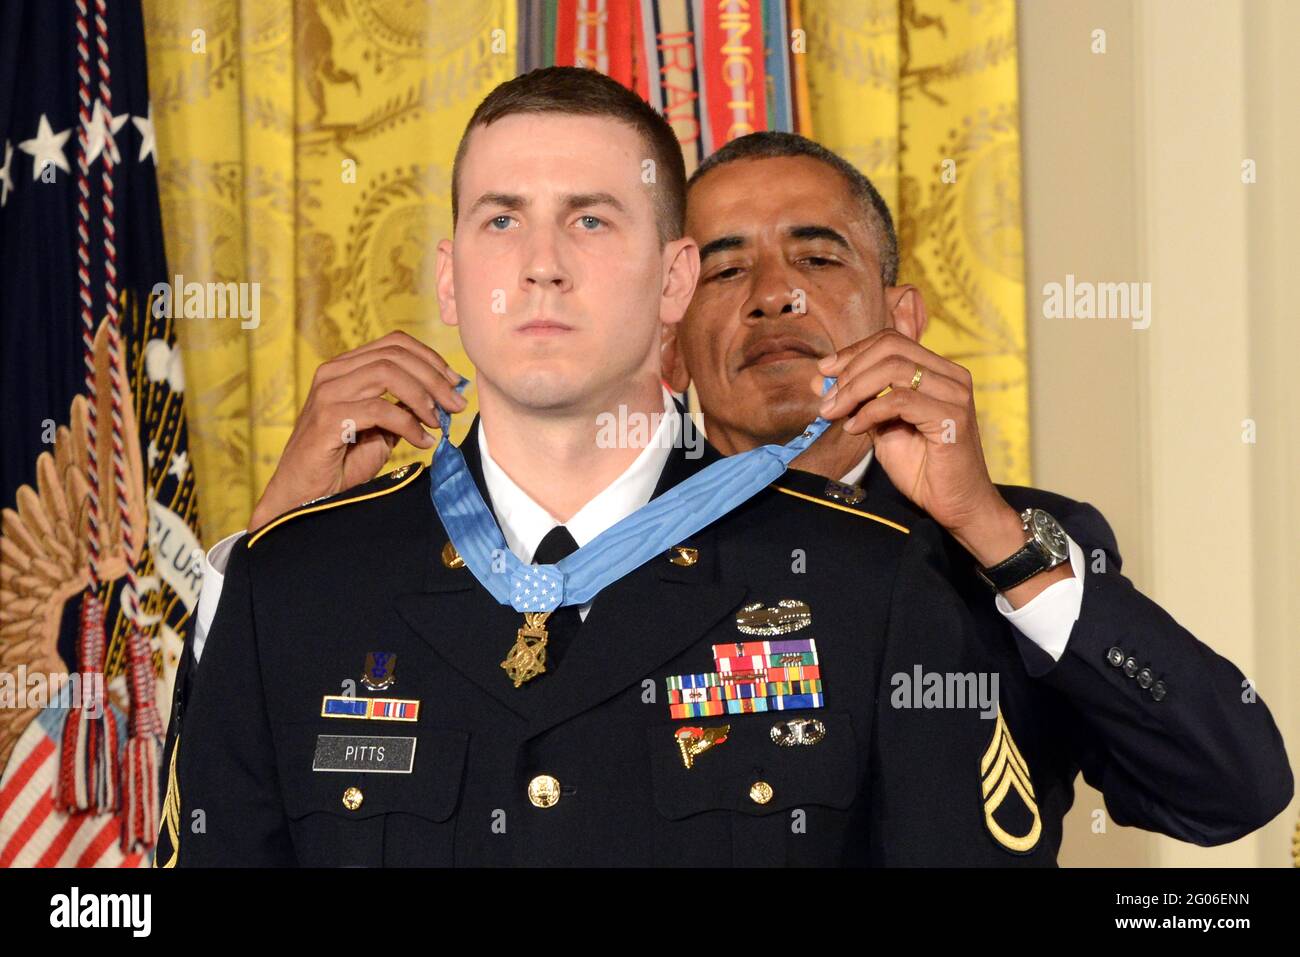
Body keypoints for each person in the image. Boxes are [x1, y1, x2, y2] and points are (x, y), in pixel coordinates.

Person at [164, 76, 1292, 865]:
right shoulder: (514, 541)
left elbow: (1227, 790)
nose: (773, 296)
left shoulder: (983, 549)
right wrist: (280, 543)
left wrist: (988, 530)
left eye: (817, 254)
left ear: (900, 312)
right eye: (727, 270)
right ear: (667, 312)